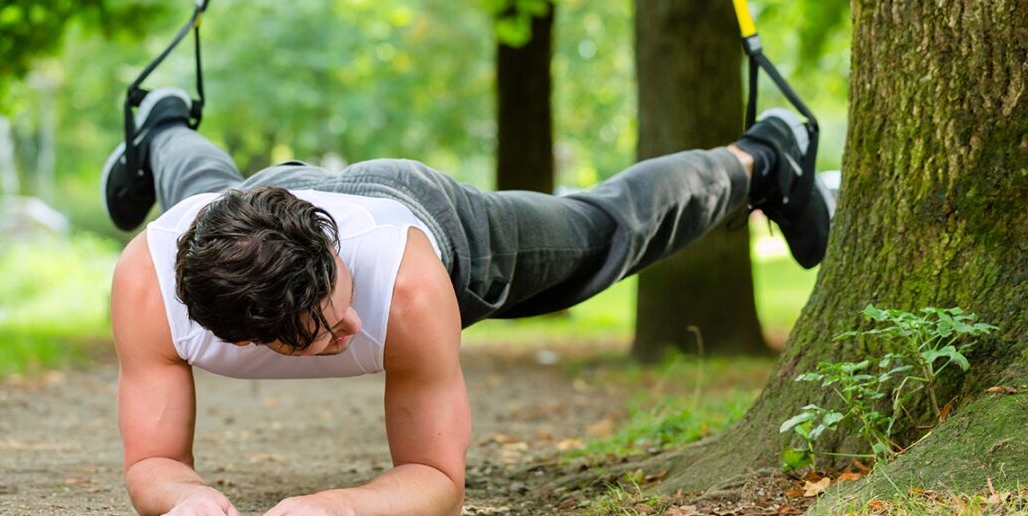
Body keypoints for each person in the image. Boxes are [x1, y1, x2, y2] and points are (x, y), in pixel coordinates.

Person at [105, 87, 832, 516]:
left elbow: (438, 481)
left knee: (598, 231)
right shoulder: (150, 289)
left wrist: (335, 507)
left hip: (419, 210)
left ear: (331, 252)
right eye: (322, 337)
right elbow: (154, 462)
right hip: (230, 218)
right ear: (250, 340)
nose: (352, 329)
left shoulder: (407, 286)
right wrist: (186, 500)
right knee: (198, 186)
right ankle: (162, 128)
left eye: (342, 301)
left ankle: (762, 157)